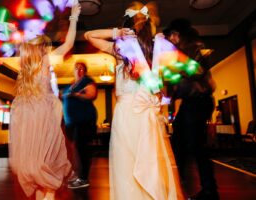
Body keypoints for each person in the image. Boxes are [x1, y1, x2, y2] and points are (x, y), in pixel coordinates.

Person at [85, 1, 185, 199]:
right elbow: (159, 87)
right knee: (149, 165)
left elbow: (89, 35)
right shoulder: (146, 50)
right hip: (144, 115)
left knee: (127, 166)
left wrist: (116, 33)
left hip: (128, 114)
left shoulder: (122, 51)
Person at [9, 3, 81, 200]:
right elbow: (68, 45)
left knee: (38, 163)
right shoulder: (45, 60)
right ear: (41, 47)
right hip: (41, 113)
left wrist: (15, 30)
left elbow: (21, 41)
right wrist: (74, 17)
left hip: (25, 114)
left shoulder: (25, 64)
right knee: (49, 161)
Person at [163, 18, 219, 200]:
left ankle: (209, 192)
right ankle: (180, 185)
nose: (170, 40)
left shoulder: (195, 47)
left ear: (177, 34)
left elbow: (198, 70)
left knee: (196, 146)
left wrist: (175, 63)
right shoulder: (180, 53)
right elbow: (177, 85)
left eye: (170, 36)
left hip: (199, 101)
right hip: (190, 102)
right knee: (179, 142)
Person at [61, 61, 98, 189]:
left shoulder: (86, 81)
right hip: (71, 123)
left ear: (85, 71)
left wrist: (76, 94)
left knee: (82, 148)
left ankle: (83, 178)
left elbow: (91, 94)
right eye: (76, 68)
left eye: (81, 68)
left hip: (84, 120)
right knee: (73, 149)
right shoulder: (70, 84)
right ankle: (77, 174)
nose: (79, 70)